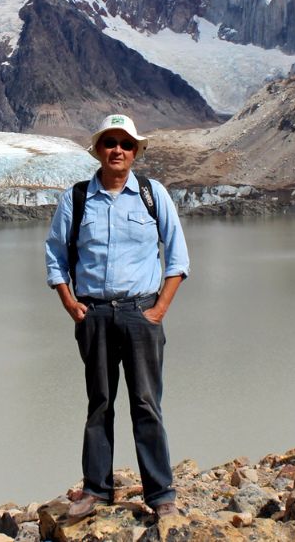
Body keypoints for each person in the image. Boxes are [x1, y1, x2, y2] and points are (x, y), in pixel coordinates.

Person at [45, 113, 189, 520]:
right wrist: (70, 304)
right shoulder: (76, 197)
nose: (118, 150)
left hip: (140, 312)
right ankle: (96, 490)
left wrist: (159, 309)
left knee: (146, 403)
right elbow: (56, 255)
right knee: (100, 403)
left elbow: (178, 256)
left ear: (136, 151)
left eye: (126, 144)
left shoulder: (151, 193)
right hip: (94, 314)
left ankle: (161, 495)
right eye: (110, 143)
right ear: (98, 150)